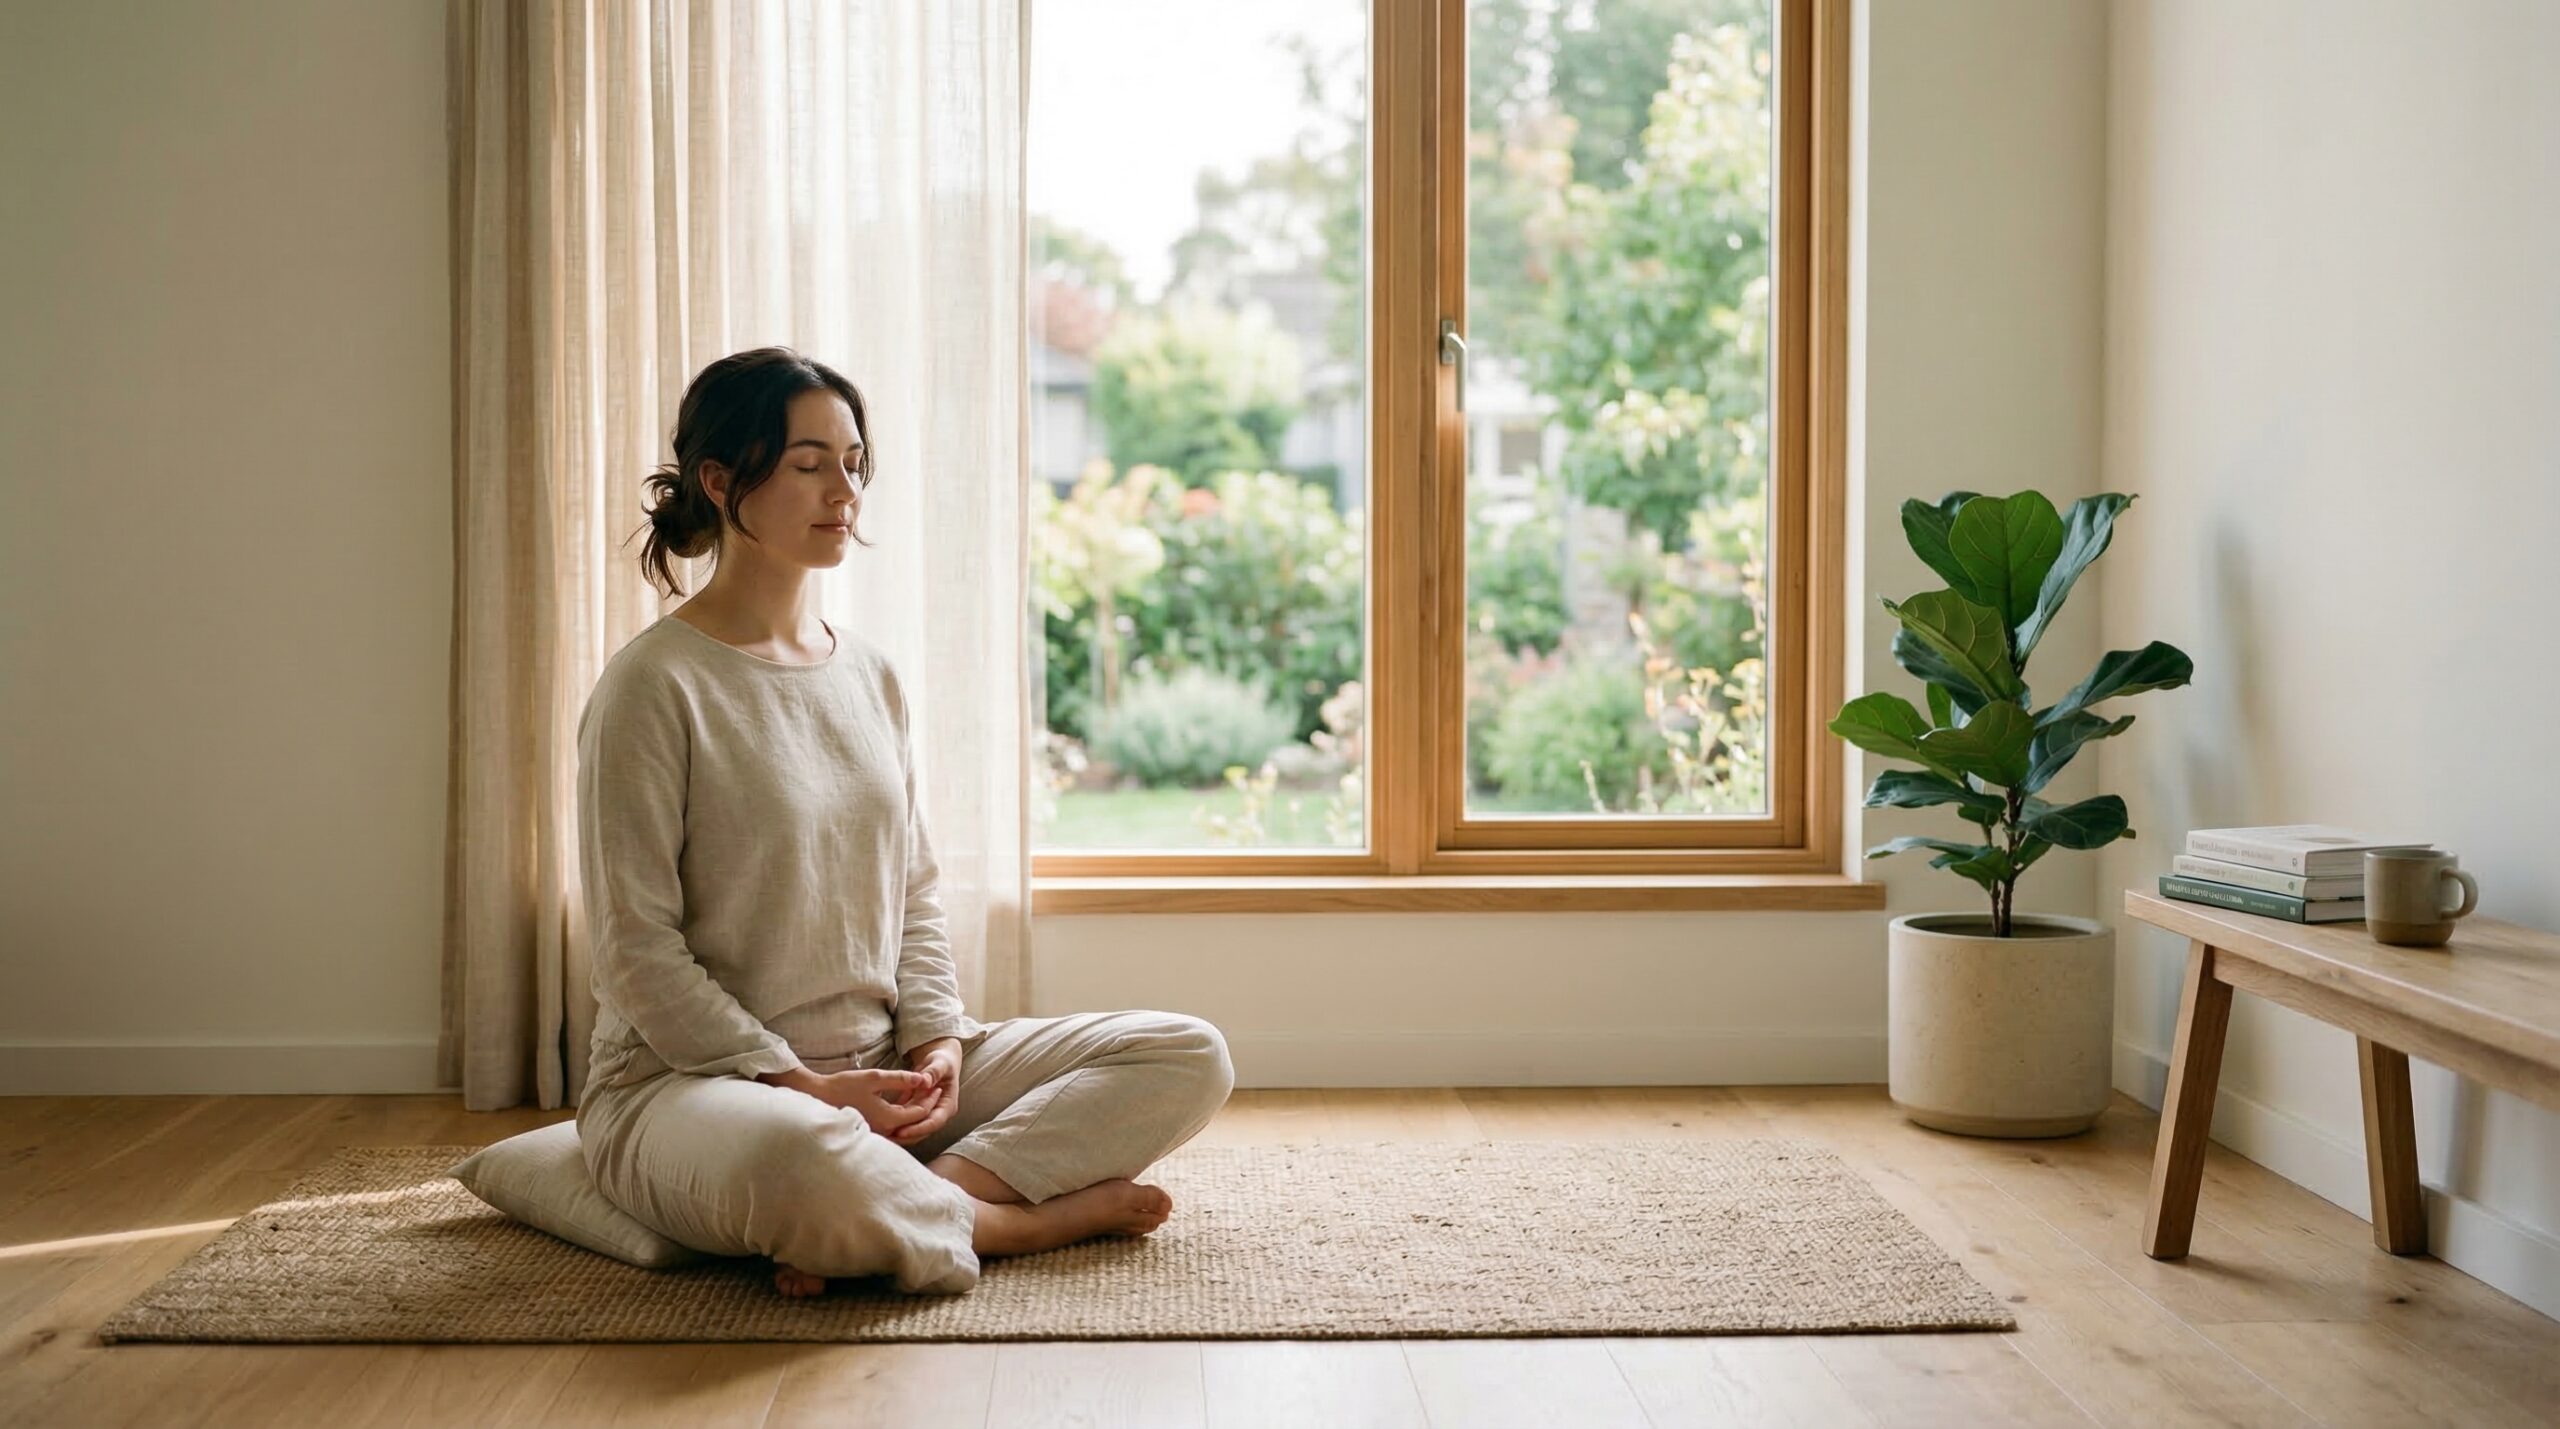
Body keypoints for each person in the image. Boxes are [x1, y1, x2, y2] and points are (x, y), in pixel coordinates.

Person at [572, 346, 1234, 1297]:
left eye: (852, 462)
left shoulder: (868, 673)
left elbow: (914, 891)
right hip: (697, 1089)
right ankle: (1006, 1223)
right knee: (804, 1157)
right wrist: (804, 1086)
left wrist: (936, 1041)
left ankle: (920, 1197)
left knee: (1185, 1052)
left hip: (881, 1071)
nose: (842, 488)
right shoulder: (651, 687)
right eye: (808, 463)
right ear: (720, 481)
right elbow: (635, 952)